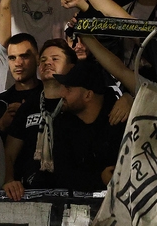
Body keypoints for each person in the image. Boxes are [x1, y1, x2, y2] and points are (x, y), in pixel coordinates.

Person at [2, 40, 78, 199]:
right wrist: (9, 180)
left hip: (73, 194)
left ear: (71, 67)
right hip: (31, 194)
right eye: (43, 60)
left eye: (55, 59)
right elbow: (8, 154)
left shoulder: (78, 104)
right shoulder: (27, 107)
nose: (47, 63)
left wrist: (126, 97)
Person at [49, 60, 125, 192]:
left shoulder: (120, 119)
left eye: (68, 89)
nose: (61, 93)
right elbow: (63, 176)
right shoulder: (63, 123)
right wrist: (99, 178)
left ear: (88, 95)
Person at [0, 33, 40, 134]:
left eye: (24, 56)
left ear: (38, 59)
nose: (18, 63)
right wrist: (1, 124)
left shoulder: (51, 97)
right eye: (12, 58)